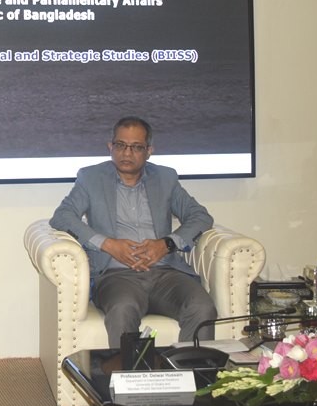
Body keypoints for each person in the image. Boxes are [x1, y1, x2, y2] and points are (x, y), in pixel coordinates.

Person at [50, 116, 217, 347]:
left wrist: (166, 244)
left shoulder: (165, 178)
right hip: (116, 276)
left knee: (202, 307)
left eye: (136, 147)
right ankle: (129, 371)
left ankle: (192, 370)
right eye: (120, 145)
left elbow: (200, 216)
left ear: (149, 151)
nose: (126, 153)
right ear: (110, 147)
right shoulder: (91, 178)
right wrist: (108, 244)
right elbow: (62, 216)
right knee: (122, 309)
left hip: (165, 274)